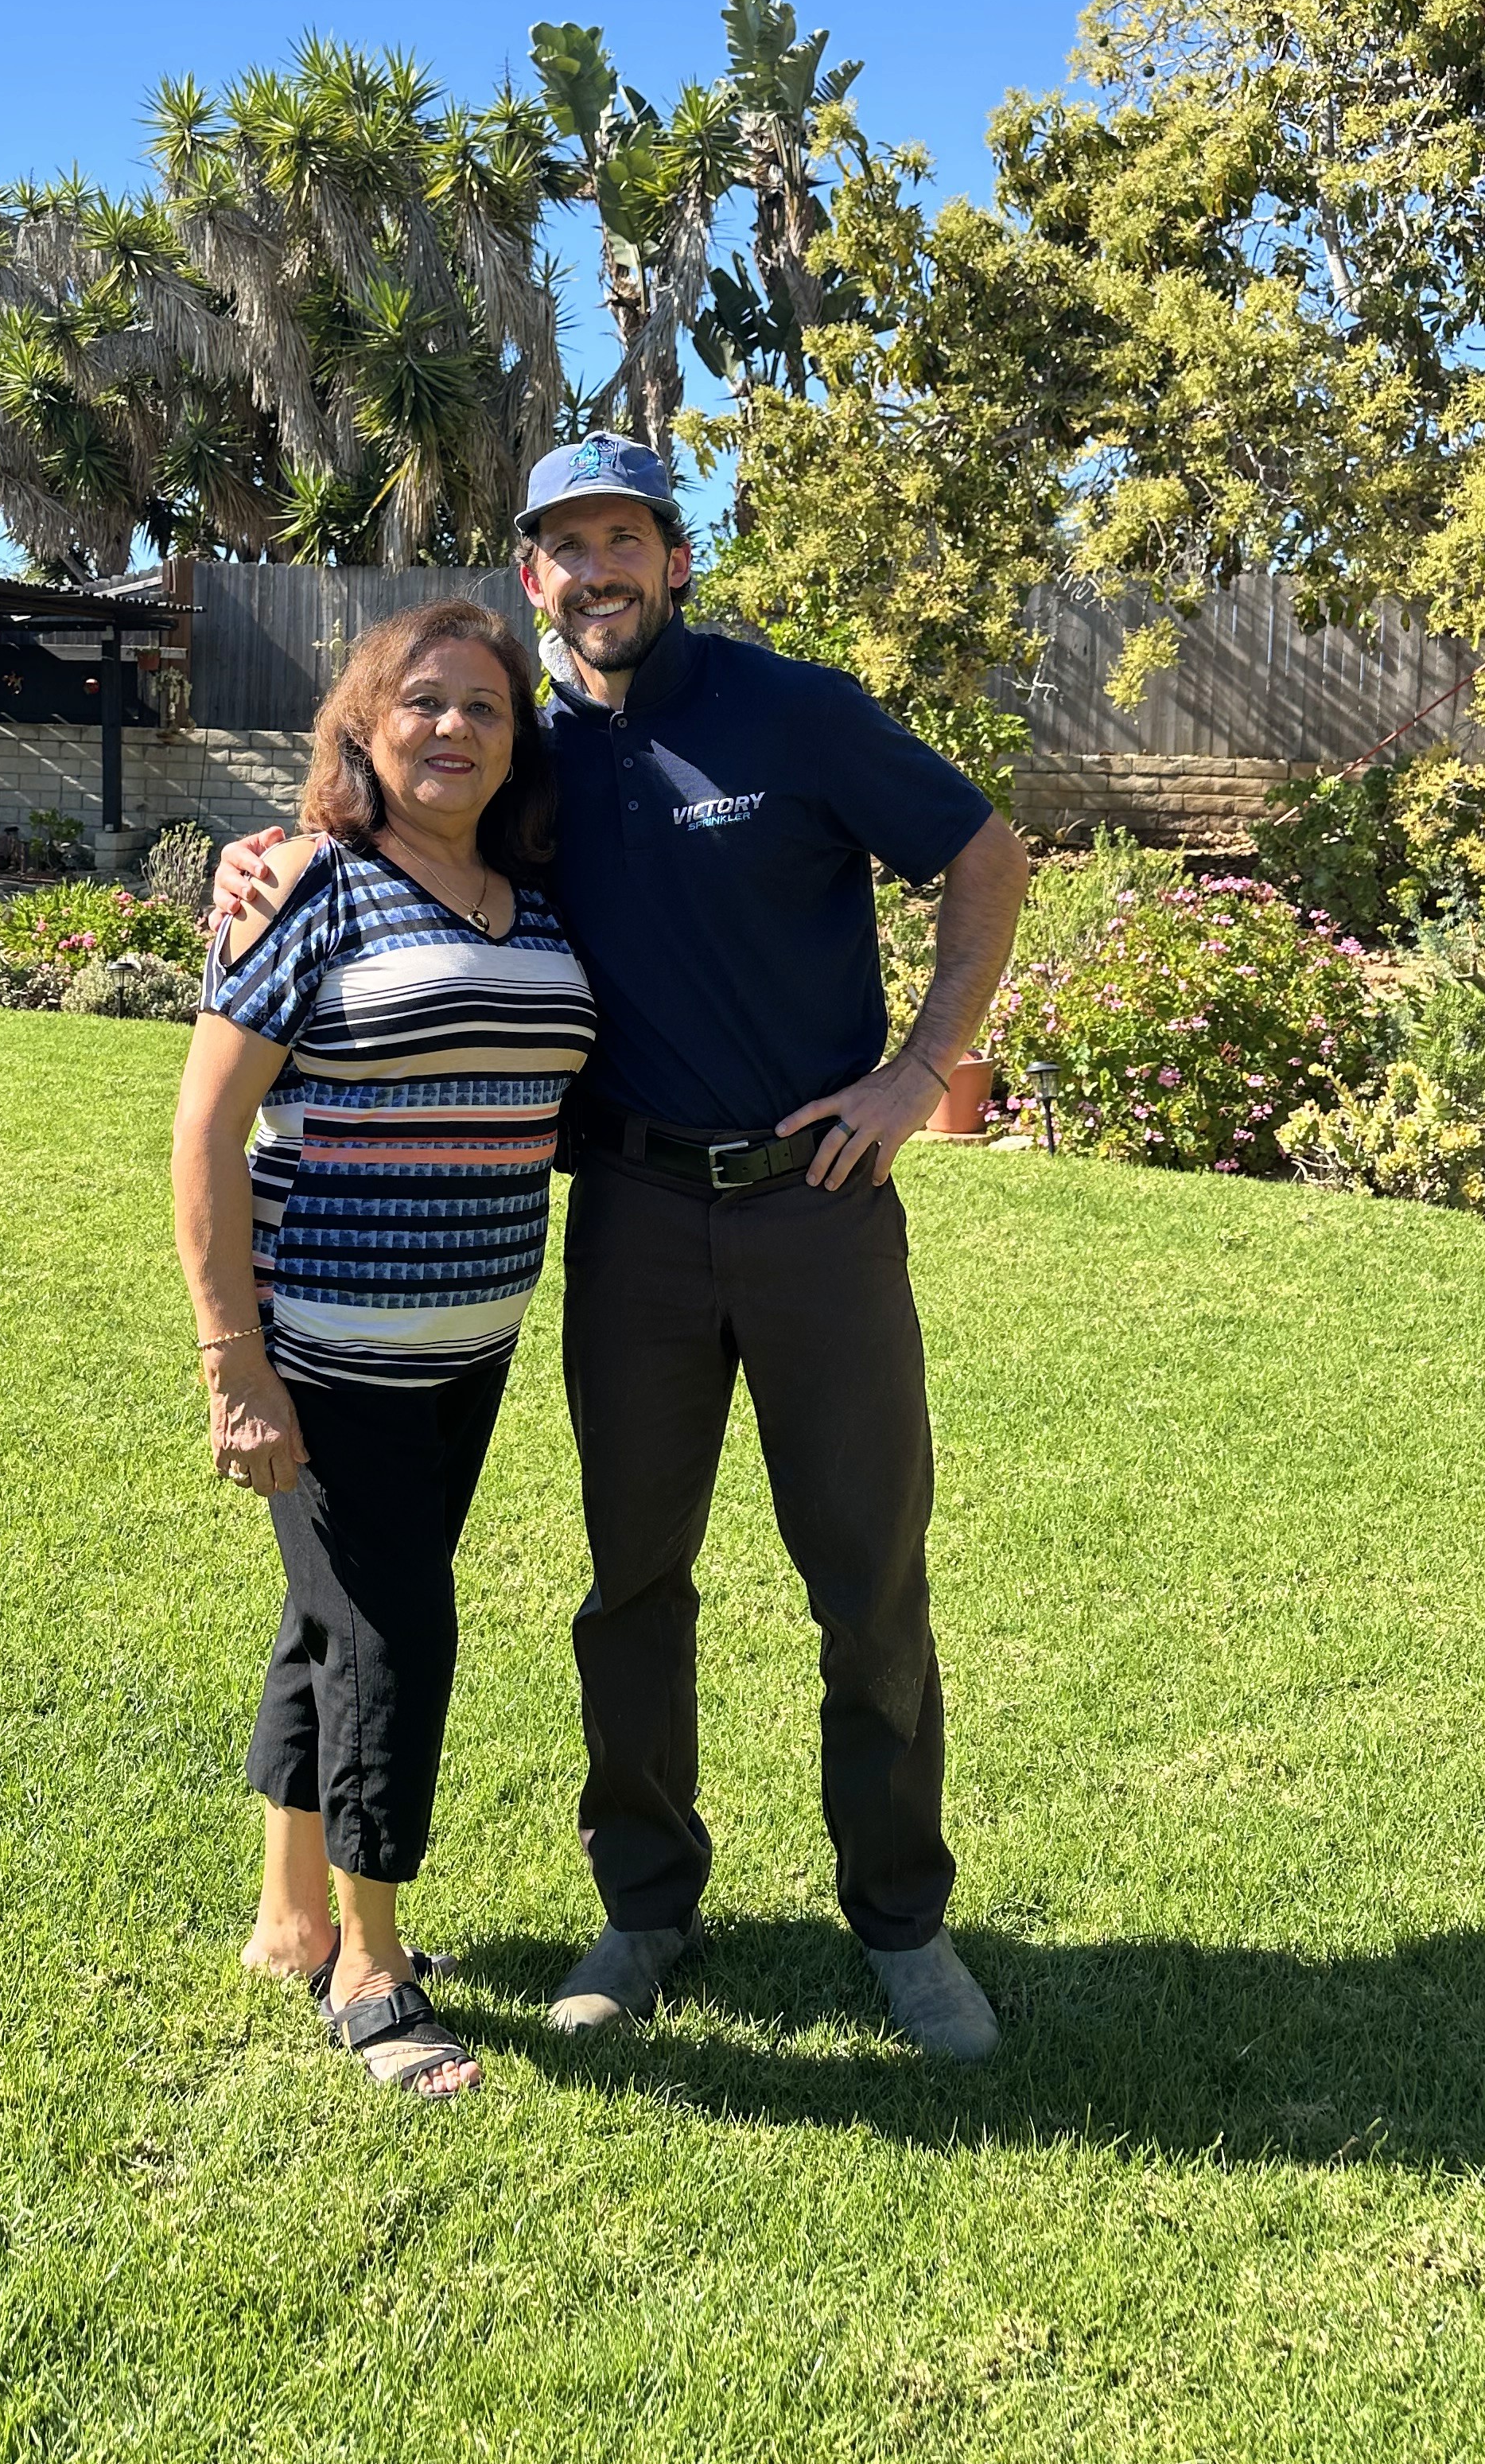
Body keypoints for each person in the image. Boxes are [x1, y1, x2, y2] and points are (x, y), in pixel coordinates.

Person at [214, 435, 1032, 2061]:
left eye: (624, 539)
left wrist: (917, 1074)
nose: (597, 572)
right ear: (535, 575)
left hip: (818, 1209)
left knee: (868, 1577)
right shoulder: (530, 754)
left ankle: (903, 1919)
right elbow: (393, 813)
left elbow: (986, 855)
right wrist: (274, 850)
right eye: (566, 546)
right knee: (633, 1583)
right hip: (635, 1220)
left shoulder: (792, 711)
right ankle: (647, 1904)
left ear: (675, 556)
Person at [173, 599, 595, 2100]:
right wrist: (235, 1361)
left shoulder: (534, 902)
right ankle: (370, 1963)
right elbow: (207, 1130)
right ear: (363, 725)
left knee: (333, 1620)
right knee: (393, 1636)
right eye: (422, 701)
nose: (454, 728)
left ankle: (289, 1920)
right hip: (327, 1350)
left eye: (486, 706)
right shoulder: (309, 888)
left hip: (469, 1348)